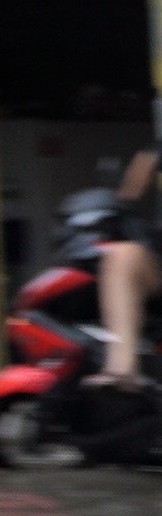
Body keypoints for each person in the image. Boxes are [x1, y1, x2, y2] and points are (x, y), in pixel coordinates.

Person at [92, 144, 156, 391]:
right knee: (120, 255)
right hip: (155, 265)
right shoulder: (153, 155)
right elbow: (126, 198)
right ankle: (122, 369)